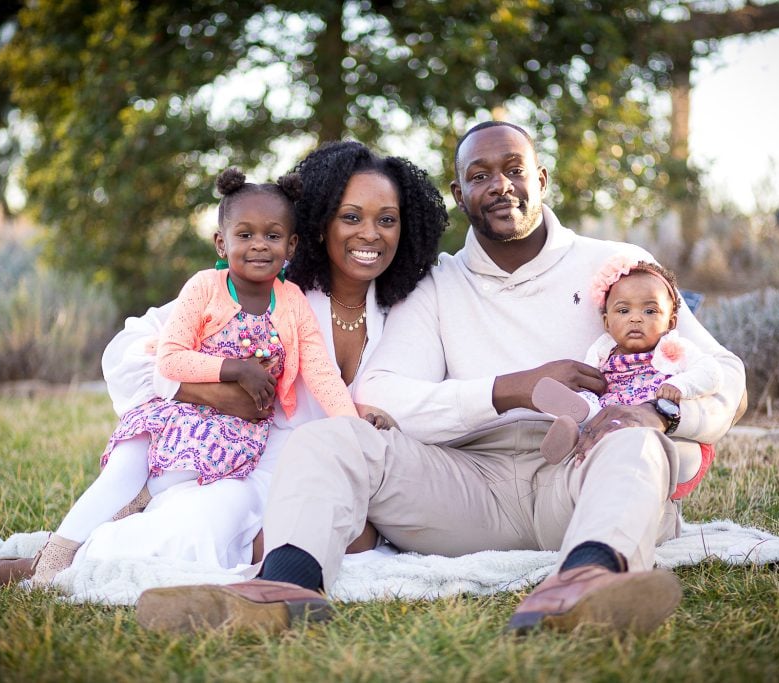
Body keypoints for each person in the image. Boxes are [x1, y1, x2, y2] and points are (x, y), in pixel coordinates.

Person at [134, 121, 746, 637]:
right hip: (469, 487)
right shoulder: (437, 284)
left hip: (581, 474)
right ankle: (280, 593)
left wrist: (662, 415)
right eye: (479, 175)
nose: (499, 184)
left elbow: (723, 375)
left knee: (634, 444)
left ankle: (588, 583)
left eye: (514, 168)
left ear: (542, 178)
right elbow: (388, 393)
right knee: (332, 438)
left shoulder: (615, 265)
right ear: (459, 193)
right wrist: (510, 387)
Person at [0, 141, 447, 589]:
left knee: (344, 537)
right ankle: (44, 564)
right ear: (318, 227)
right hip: (244, 462)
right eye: (350, 216)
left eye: (387, 219)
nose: (370, 234)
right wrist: (217, 388)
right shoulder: (266, 285)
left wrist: (367, 421)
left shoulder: (408, 306)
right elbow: (133, 355)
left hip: (335, 471)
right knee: (194, 529)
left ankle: (262, 550)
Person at [27, 168, 371, 587]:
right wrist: (236, 369)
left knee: (163, 488)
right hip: (170, 415)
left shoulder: (293, 302)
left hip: (232, 435)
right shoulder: (204, 288)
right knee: (122, 473)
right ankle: (54, 556)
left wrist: (351, 426)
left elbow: (320, 370)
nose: (259, 245)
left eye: (273, 235)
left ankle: (99, 539)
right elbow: (169, 360)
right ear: (221, 243)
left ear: (292, 245)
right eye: (245, 235)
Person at [531, 256, 723, 466]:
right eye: (623, 311)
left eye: (650, 311)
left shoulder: (673, 348)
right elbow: (590, 378)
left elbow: (711, 372)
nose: (635, 318)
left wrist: (679, 385)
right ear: (607, 322)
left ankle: (584, 434)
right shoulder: (602, 351)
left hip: (642, 418)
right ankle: (571, 425)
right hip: (603, 412)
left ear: (671, 322)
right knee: (589, 404)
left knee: (620, 435)